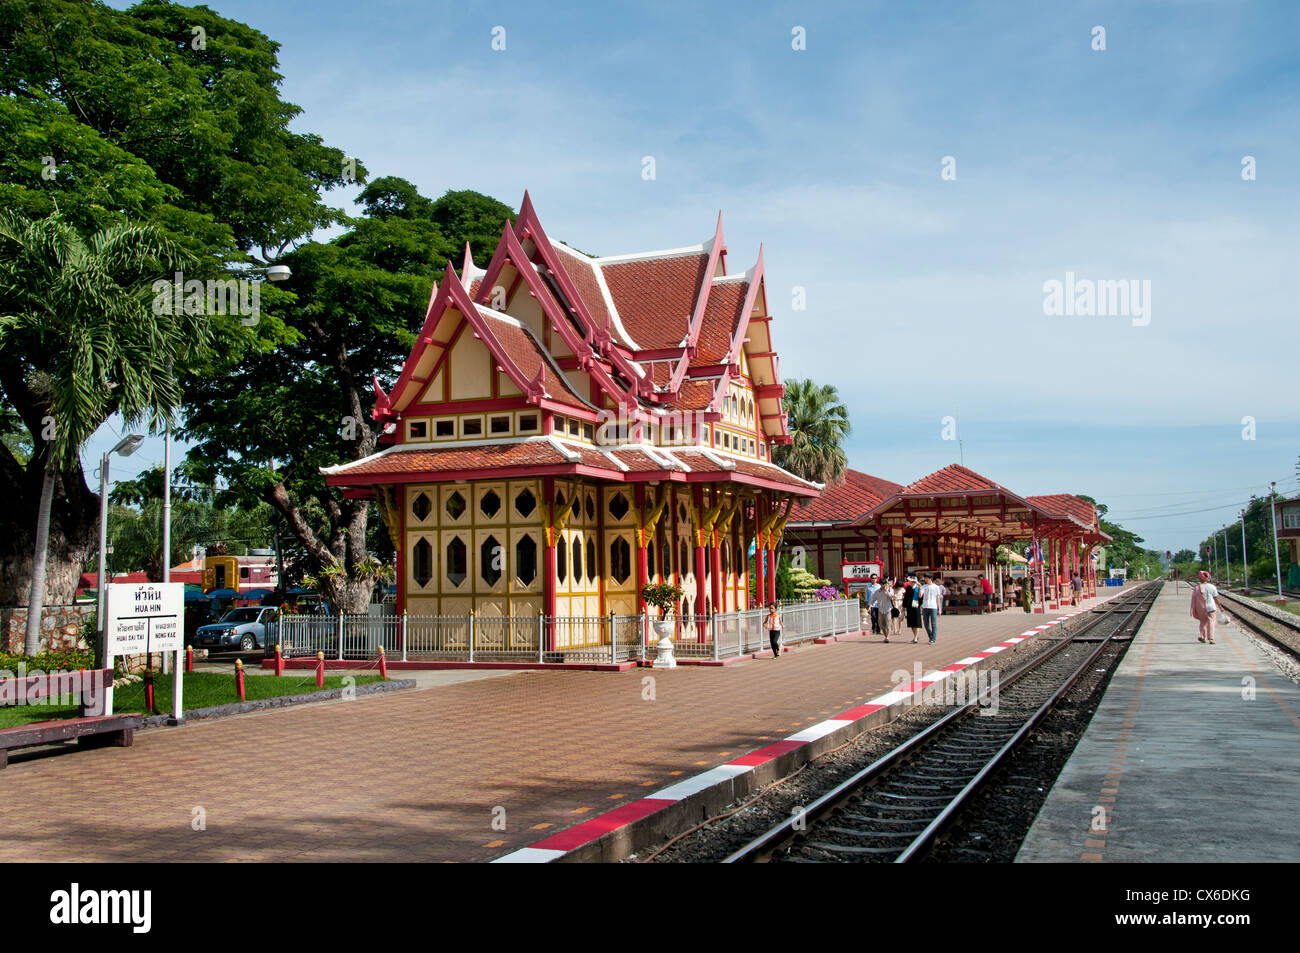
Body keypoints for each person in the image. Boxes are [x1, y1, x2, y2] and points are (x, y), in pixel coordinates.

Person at [1190, 570, 1218, 644]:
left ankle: (1202, 636)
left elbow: (1194, 599)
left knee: (1202, 622)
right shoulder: (1212, 587)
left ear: (1199, 579)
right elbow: (1216, 598)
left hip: (1201, 608)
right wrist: (1220, 607)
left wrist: (1194, 609)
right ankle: (1211, 639)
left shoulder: (1197, 588)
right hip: (1211, 607)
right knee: (1211, 622)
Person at [920, 575, 943, 644]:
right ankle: (931, 636)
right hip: (925, 606)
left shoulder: (936, 587)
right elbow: (920, 595)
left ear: (930, 578)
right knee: (926, 624)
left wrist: (939, 609)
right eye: (925, 578)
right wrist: (919, 588)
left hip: (933, 606)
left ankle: (933, 639)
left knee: (933, 623)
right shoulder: (924, 586)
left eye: (926, 578)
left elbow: (938, 598)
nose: (925, 579)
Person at [902, 577, 923, 643]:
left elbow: (920, 597)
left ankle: (916, 637)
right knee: (911, 623)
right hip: (909, 607)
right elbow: (906, 598)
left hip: (916, 606)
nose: (909, 582)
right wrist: (904, 606)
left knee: (916, 622)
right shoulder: (908, 588)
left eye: (910, 581)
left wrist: (920, 588)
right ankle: (915, 636)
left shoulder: (918, 588)